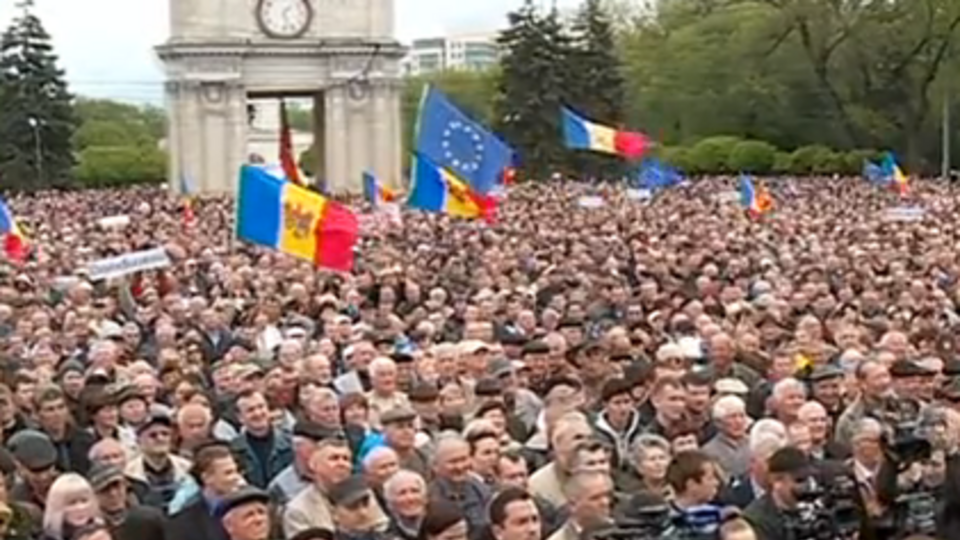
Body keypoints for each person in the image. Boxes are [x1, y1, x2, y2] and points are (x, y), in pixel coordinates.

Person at [743, 447, 812, 540]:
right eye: (799, 481)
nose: (805, 487)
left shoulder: (815, 506)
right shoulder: (756, 519)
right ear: (776, 481)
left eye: (808, 479)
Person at [87, 463, 165, 540]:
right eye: (104, 489)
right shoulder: (89, 530)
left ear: (125, 485)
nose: (113, 494)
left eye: (117, 486)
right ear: (94, 495)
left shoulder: (150, 518)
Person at [41, 474, 102, 540]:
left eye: (84, 501)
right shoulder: (49, 538)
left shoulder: (102, 533)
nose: (80, 507)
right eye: (72, 503)